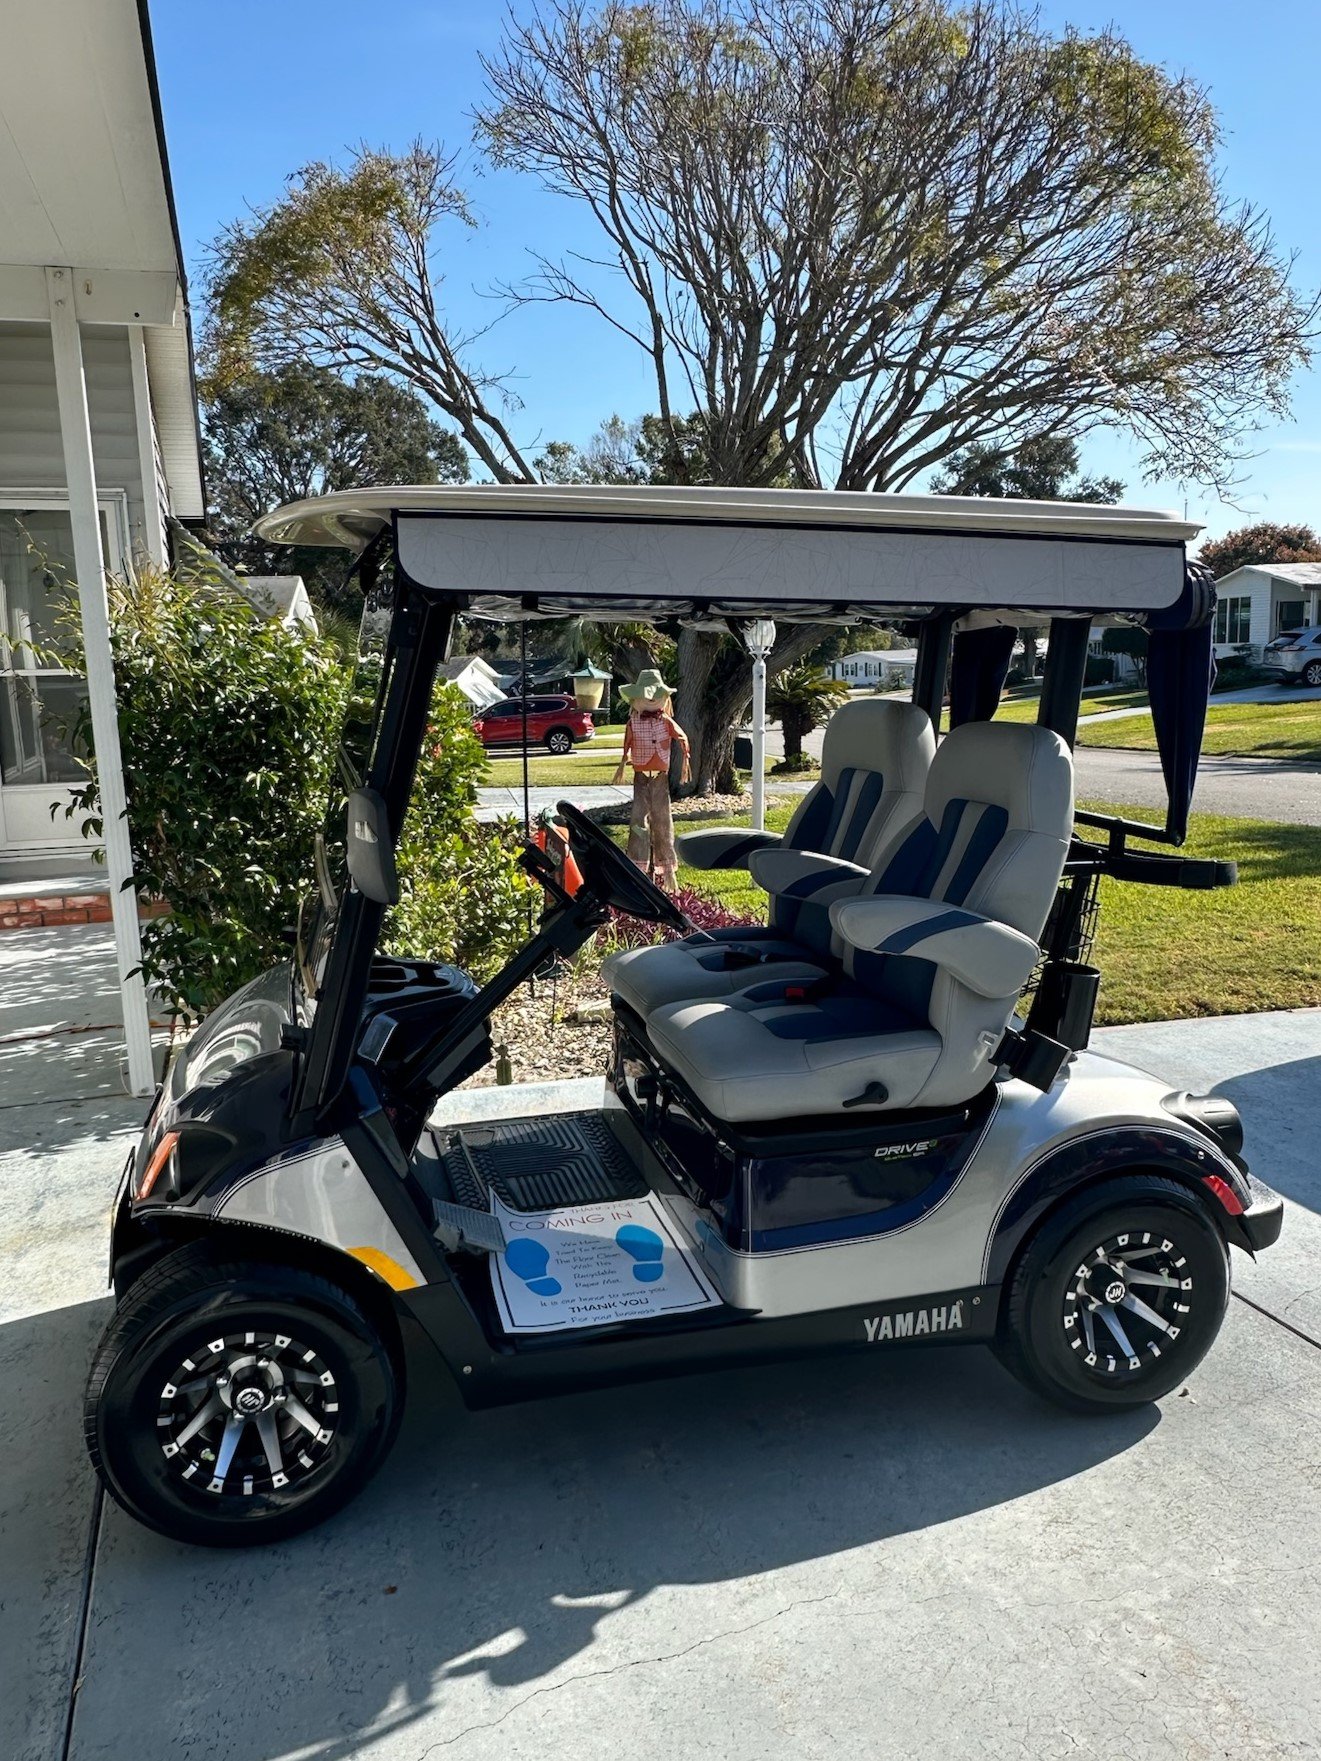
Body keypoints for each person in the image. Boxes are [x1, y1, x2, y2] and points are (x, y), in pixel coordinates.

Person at [612, 668, 691, 891]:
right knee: (638, 821)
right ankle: (638, 868)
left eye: (656, 694)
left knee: (662, 821)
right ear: (636, 698)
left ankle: (667, 872)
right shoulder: (633, 723)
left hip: (660, 779)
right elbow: (626, 745)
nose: (651, 699)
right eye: (646, 694)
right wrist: (623, 764)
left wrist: (685, 756)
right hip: (641, 778)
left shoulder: (666, 721)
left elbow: (682, 737)